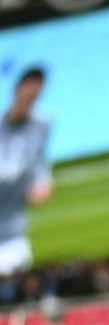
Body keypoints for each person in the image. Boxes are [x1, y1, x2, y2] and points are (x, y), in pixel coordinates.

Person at [0, 67, 51, 276]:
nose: (30, 101)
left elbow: (38, 161)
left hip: (14, 235)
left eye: (35, 97)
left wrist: (42, 181)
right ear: (16, 90)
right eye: (28, 95)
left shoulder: (41, 126)